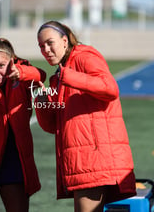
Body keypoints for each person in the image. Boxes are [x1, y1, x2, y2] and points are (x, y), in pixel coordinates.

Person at [35, 20, 136, 212]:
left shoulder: (84, 56)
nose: (46, 50)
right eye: (41, 46)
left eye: (50, 43)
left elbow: (110, 89)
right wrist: (40, 100)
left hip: (94, 159)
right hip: (81, 161)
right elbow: (52, 126)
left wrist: (69, 77)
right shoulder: (57, 77)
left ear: (65, 40)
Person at [0, 39, 46, 212]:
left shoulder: (20, 77)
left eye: (1, 65)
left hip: (13, 157)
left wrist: (19, 72)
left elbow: (41, 74)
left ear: (11, 62)